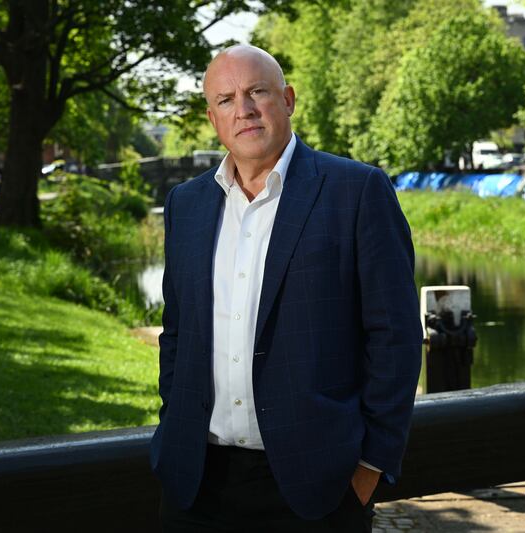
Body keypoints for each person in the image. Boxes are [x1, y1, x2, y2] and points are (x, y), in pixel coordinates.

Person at [150, 44, 422, 532]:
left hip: (317, 488)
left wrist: (370, 466)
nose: (244, 110)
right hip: (195, 485)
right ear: (213, 117)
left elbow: (395, 337)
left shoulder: (356, 191)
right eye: (226, 99)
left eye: (257, 92)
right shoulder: (185, 205)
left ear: (289, 99)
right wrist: (173, 426)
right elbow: (177, 333)